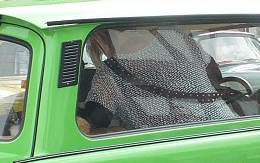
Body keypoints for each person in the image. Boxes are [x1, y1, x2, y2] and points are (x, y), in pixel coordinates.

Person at [78, 26, 237, 133]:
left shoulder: (109, 74)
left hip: (169, 147)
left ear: (99, 38)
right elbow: (214, 76)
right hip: (228, 130)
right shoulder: (177, 37)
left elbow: (89, 124)